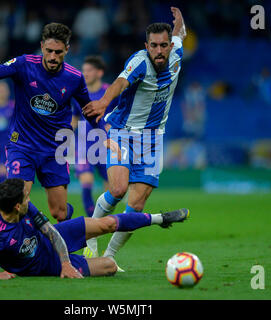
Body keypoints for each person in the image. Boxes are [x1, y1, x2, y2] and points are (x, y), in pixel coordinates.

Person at [0, 23, 114, 223]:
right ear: (42, 47)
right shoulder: (24, 64)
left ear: (66, 49)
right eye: (49, 51)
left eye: (58, 52)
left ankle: (63, 221)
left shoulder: (74, 78)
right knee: (17, 199)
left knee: (59, 213)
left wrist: (103, 135)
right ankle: (16, 246)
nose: (52, 57)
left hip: (55, 151)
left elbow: (89, 111)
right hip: (22, 145)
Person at [82, 7, 187, 268]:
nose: (160, 51)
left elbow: (179, 34)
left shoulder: (176, 53)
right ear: (146, 46)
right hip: (123, 133)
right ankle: (90, 236)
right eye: (154, 46)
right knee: (117, 189)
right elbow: (119, 83)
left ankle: (110, 257)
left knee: (137, 204)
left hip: (153, 139)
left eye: (164, 45)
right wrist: (104, 101)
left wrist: (179, 22)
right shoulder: (139, 61)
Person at [0, 178, 189, 279]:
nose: (29, 199)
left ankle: (162, 218)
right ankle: (81, 252)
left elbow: (51, 232)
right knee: (110, 266)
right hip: (46, 265)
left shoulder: (25, 208)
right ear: (16, 206)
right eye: (25, 198)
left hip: (54, 239)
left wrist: (66, 263)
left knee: (108, 223)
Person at [71, 56, 117, 218]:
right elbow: (75, 116)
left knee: (111, 189)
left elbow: (119, 113)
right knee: (86, 182)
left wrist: (114, 128)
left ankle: (101, 220)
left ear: (99, 72)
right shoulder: (79, 93)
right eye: (84, 71)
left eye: (89, 70)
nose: (85, 74)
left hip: (105, 145)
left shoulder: (109, 91)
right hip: (84, 146)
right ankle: (92, 222)